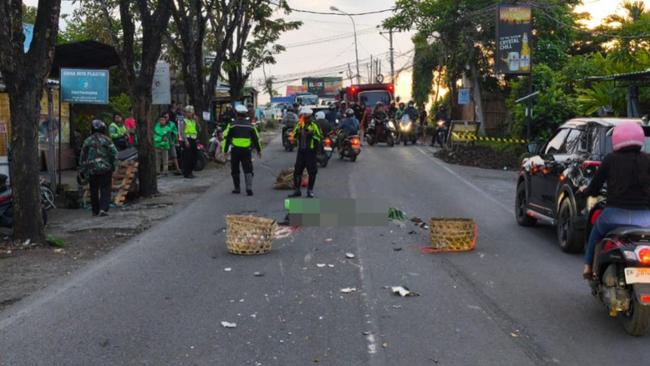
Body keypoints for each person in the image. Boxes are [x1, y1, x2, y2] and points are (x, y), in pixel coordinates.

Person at [580, 122, 650, 278]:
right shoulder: (647, 159)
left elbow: (595, 187)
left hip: (614, 216)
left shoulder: (610, 159)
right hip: (646, 219)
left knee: (595, 232)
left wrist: (585, 191)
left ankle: (588, 266)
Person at [80, 120, 118, 217]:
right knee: (105, 189)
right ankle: (103, 209)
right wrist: (114, 167)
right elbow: (115, 153)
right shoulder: (107, 140)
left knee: (93, 190)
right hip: (105, 168)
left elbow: (82, 156)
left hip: (92, 169)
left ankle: (94, 210)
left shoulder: (87, 140)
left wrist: (83, 170)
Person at [223, 105, 262, 196]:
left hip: (235, 150)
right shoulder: (250, 126)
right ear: (245, 114)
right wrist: (259, 150)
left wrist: (225, 151)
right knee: (248, 168)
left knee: (235, 169)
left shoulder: (232, 125)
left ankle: (237, 188)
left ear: (236, 114)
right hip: (246, 150)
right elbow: (255, 139)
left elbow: (228, 139)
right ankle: (249, 188)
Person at [289, 108, 322, 198]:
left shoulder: (314, 124)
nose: (303, 118)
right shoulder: (300, 124)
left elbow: (319, 137)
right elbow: (293, 134)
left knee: (312, 172)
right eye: (302, 116)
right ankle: (297, 190)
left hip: (310, 151)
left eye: (305, 116)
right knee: (297, 171)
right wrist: (294, 136)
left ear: (309, 116)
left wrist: (311, 135)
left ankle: (310, 190)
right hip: (301, 151)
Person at [179, 105, 199, 179]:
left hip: (193, 139)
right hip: (187, 139)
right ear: (186, 113)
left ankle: (191, 171)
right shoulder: (184, 121)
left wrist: (197, 121)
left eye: (191, 112)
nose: (191, 114)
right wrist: (186, 141)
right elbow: (182, 131)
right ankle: (187, 173)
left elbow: (199, 129)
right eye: (189, 112)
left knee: (194, 156)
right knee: (187, 157)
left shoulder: (193, 120)